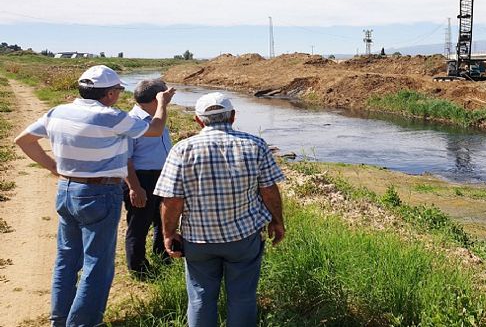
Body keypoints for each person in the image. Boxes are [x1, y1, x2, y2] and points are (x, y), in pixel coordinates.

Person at [14, 65, 175, 327]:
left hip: (67, 190)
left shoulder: (58, 112)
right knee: (97, 263)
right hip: (100, 193)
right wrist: (162, 102)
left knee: (67, 259)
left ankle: (60, 319)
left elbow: (23, 140)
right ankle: (83, 323)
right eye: (118, 91)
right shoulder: (111, 116)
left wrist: (54, 167)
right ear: (110, 94)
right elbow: (155, 129)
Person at [154, 92, 285, 327]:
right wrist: (278, 221)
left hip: (198, 240)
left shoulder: (182, 150)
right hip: (243, 238)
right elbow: (269, 190)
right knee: (243, 297)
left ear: (198, 120)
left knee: (200, 298)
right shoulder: (255, 145)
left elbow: (172, 200)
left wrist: (168, 233)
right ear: (233, 116)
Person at [123, 79, 173, 278]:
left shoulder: (157, 117)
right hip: (141, 178)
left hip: (162, 176)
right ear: (157, 98)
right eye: (165, 95)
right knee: (139, 224)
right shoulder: (132, 122)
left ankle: (163, 258)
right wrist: (134, 187)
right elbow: (124, 160)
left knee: (163, 221)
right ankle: (138, 269)